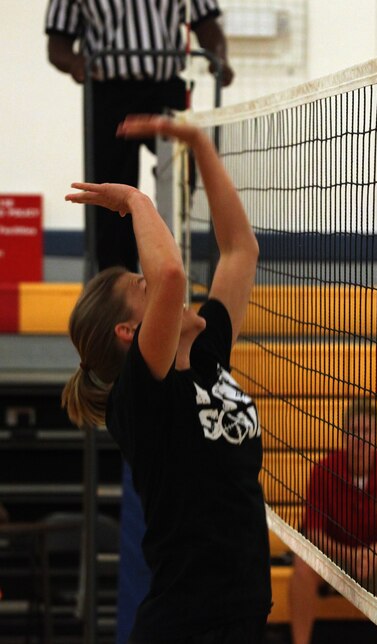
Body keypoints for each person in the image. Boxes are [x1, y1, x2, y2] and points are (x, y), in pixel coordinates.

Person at [60, 114, 270, 643]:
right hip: (186, 629)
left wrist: (200, 142)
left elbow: (241, 250)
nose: (157, 278)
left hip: (241, 622)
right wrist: (135, 202)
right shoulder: (141, 399)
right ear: (130, 331)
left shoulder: (205, 356)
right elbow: (171, 274)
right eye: (140, 282)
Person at [45, 0, 234, 273]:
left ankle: (170, 265)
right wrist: (77, 64)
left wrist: (220, 59)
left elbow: (208, 25)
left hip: (163, 88)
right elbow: (58, 46)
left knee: (181, 177)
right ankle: (117, 282)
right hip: (109, 94)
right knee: (110, 193)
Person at [289, 397, 377, 643]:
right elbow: (313, 533)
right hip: (337, 560)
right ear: (343, 436)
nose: (361, 439)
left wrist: (376, 553)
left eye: (367, 431)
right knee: (302, 563)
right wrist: (350, 555)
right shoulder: (323, 470)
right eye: (353, 431)